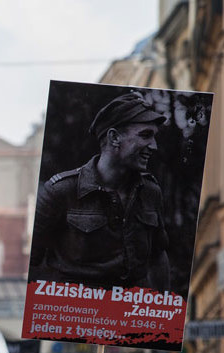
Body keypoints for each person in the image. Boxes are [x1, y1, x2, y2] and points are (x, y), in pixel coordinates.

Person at [29, 91, 170, 290]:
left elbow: (158, 256)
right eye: (145, 135)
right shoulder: (61, 191)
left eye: (154, 137)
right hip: (76, 314)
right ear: (114, 137)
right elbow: (31, 261)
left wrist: (160, 306)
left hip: (130, 313)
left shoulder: (150, 192)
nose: (153, 146)